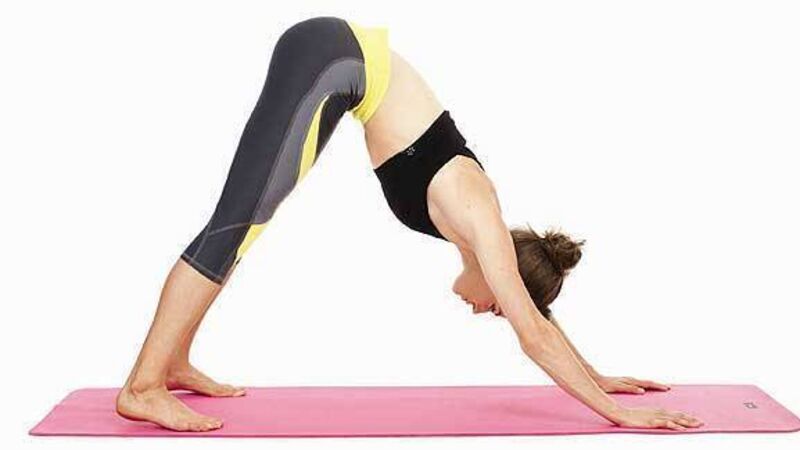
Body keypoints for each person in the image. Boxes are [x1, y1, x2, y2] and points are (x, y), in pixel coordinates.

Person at [115, 16, 703, 432]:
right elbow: (534, 333)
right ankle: (143, 386)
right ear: (506, 278)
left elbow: (536, 317)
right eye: (496, 307)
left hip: (336, 62)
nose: (482, 310)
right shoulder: (480, 219)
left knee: (244, 221)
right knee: (237, 223)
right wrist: (618, 414)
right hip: (333, 59)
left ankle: (172, 362)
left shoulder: (481, 236)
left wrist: (597, 376)